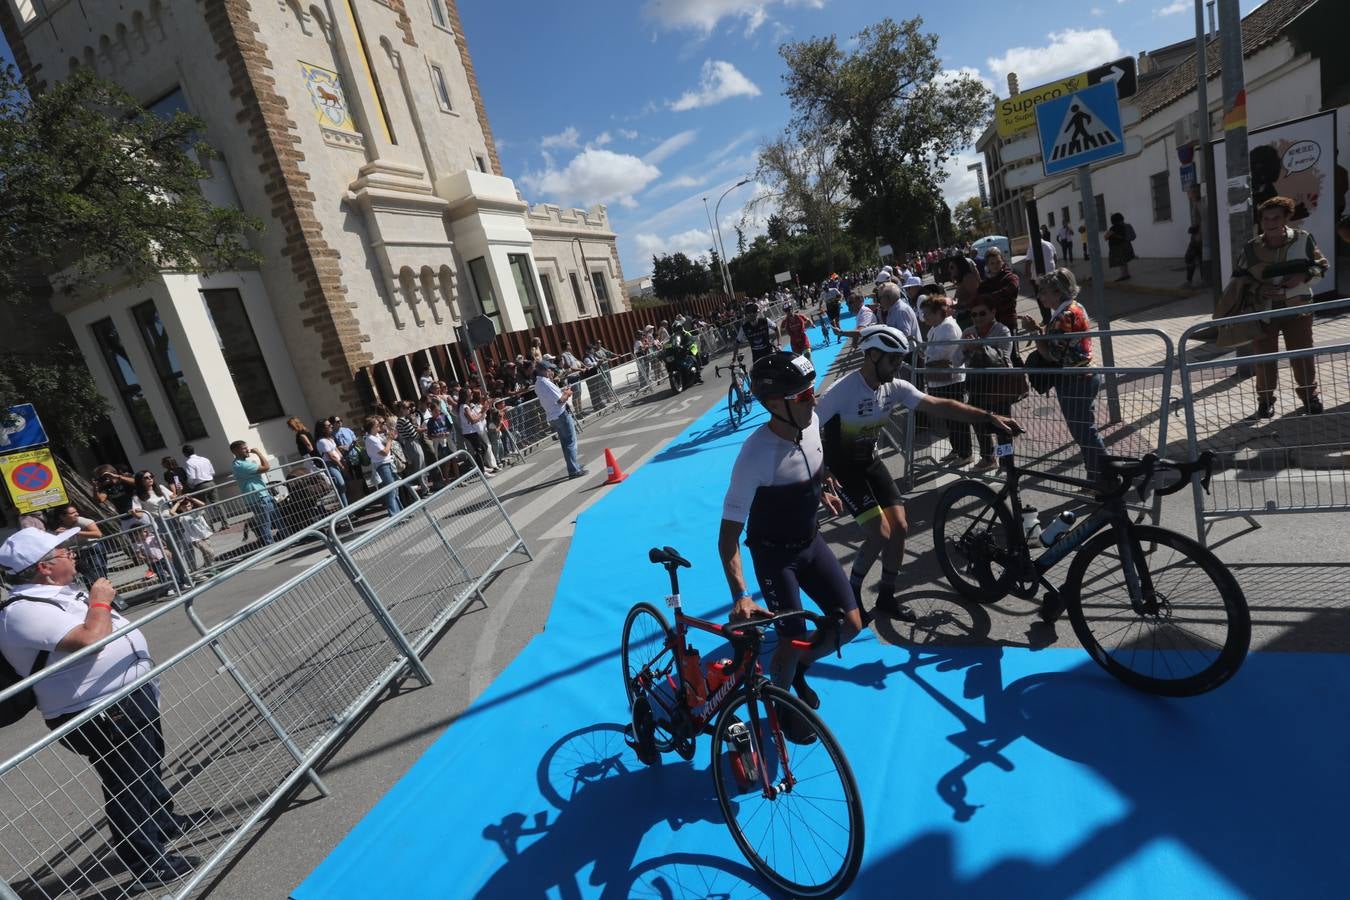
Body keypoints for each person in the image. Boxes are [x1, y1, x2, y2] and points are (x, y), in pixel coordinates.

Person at [0, 528, 206, 890]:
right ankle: (148, 862)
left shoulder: (56, 594)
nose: (72, 554)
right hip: (97, 710)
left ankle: (163, 820)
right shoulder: (22, 611)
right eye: (64, 551)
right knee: (127, 783)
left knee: (145, 766)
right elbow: (90, 641)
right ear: (44, 567)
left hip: (122, 698)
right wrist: (98, 600)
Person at [815, 325, 1020, 621]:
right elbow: (807, 432)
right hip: (844, 469)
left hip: (870, 463)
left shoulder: (894, 387)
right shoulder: (842, 391)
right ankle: (852, 593)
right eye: (893, 360)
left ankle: (886, 596)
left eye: (900, 360)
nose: (899, 366)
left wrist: (987, 417)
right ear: (872, 355)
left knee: (899, 527)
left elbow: (939, 404)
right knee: (879, 533)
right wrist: (821, 476)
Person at [718, 351, 857, 732]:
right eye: (801, 396)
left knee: (851, 625)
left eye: (811, 390)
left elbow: (815, 459)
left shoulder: (809, 423)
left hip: (811, 541)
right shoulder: (754, 456)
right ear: (772, 405)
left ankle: (798, 668)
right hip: (775, 557)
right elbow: (727, 537)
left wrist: (823, 486)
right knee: (789, 639)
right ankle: (780, 707)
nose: (812, 399)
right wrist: (741, 595)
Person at [1239, 195, 1329, 418]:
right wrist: (1259, 290)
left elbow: (1321, 266)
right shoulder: (1251, 248)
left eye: (1276, 218)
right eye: (1266, 219)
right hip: (1264, 312)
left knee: (1302, 356)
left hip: (1297, 310)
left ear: (1287, 218)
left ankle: (1310, 397)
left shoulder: (1303, 239)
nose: (1270, 223)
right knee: (1265, 359)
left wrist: (1303, 276)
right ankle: (1265, 401)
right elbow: (1240, 280)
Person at [1019, 267, 1108, 484]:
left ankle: (1104, 479)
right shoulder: (1075, 308)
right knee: (1085, 430)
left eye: (1043, 292)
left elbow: (1052, 356)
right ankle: (1097, 478)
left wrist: (1035, 333)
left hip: (1074, 379)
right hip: (1085, 374)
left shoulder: (1064, 315)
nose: (1040, 296)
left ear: (1057, 291)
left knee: (1085, 433)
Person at [961, 297, 1018, 471]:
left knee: (1002, 428)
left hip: (998, 386)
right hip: (977, 386)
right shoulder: (969, 331)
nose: (978, 318)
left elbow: (1005, 359)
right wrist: (965, 348)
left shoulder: (1002, 330)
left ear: (993, 312)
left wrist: (980, 348)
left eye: (982, 313)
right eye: (974, 314)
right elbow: (958, 359)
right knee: (978, 422)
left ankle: (1006, 462)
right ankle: (988, 457)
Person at [919, 296, 971, 465]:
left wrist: (925, 355)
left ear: (938, 312)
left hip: (950, 380)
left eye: (927, 314)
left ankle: (965, 453)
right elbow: (931, 352)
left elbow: (942, 353)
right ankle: (957, 449)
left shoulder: (947, 326)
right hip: (940, 379)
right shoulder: (937, 327)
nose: (924, 318)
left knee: (957, 418)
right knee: (949, 419)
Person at [534, 360, 587, 479]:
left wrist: (563, 392)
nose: (552, 372)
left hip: (553, 416)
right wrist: (567, 393)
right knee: (570, 442)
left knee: (565, 443)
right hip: (560, 414)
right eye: (550, 370)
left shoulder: (539, 383)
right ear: (544, 370)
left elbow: (554, 398)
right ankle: (574, 470)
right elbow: (560, 400)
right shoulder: (545, 383)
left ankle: (574, 466)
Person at [229, 441, 285, 543]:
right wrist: (259, 453)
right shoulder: (240, 465)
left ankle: (288, 538)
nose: (248, 450)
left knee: (278, 520)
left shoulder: (246, 462)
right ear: (236, 451)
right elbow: (266, 467)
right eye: (244, 448)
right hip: (257, 499)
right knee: (265, 524)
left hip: (264, 495)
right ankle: (270, 545)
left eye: (247, 447)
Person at [362, 417, 402, 516]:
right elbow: (384, 452)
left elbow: (391, 439)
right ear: (372, 427)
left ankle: (400, 512)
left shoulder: (377, 436)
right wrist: (389, 440)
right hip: (383, 465)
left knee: (395, 489)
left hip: (388, 463)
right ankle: (394, 515)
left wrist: (391, 435)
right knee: (390, 490)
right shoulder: (370, 439)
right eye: (377, 425)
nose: (379, 426)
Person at [313, 419, 350, 508]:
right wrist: (340, 465)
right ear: (322, 429)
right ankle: (345, 509)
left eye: (330, 425)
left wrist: (343, 460)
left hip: (337, 463)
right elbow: (331, 456)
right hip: (331, 465)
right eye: (328, 425)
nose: (331, 426)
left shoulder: (330, 439)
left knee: (343, 486)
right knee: (340, 485)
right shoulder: (322, 441)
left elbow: (336, 450)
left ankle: (347, 507)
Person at [1104, 212, 1136, 281]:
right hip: (1126, 245)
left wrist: (1109, 234)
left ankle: (1123, 275)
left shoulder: (1114, 228)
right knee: (1124, 261)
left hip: (1117, 247)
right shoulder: (1125, 226)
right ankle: (1126, 274)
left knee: (1121, 262)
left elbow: (1106, 237)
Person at [1183, 225, 1203, 289]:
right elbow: (1197, 247)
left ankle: (1189, 281)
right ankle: (1189, 282)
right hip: (1191, 255)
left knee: (1191, 267)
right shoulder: (1195, 237)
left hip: (1191, 255)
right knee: (1191, 267)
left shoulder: (1194, 237)